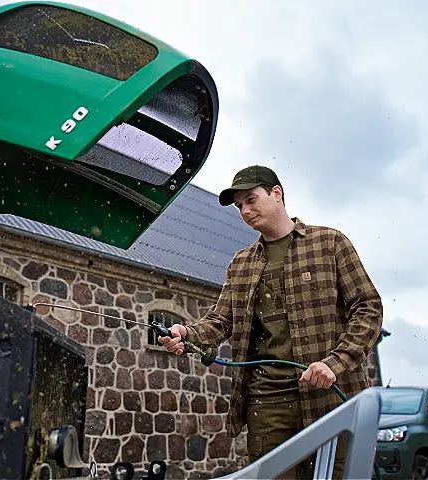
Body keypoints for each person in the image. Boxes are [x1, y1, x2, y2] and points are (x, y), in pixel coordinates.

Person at [159, 165, 383, 479]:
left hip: (330, 397)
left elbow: (368, 307)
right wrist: (187, 333)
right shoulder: (241, 263)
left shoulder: (329, 243)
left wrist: (335, 362)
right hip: (267, 405)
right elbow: (222, 320)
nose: (245, 211)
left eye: (251, 199)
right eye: (240, 206)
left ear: (276, 193)